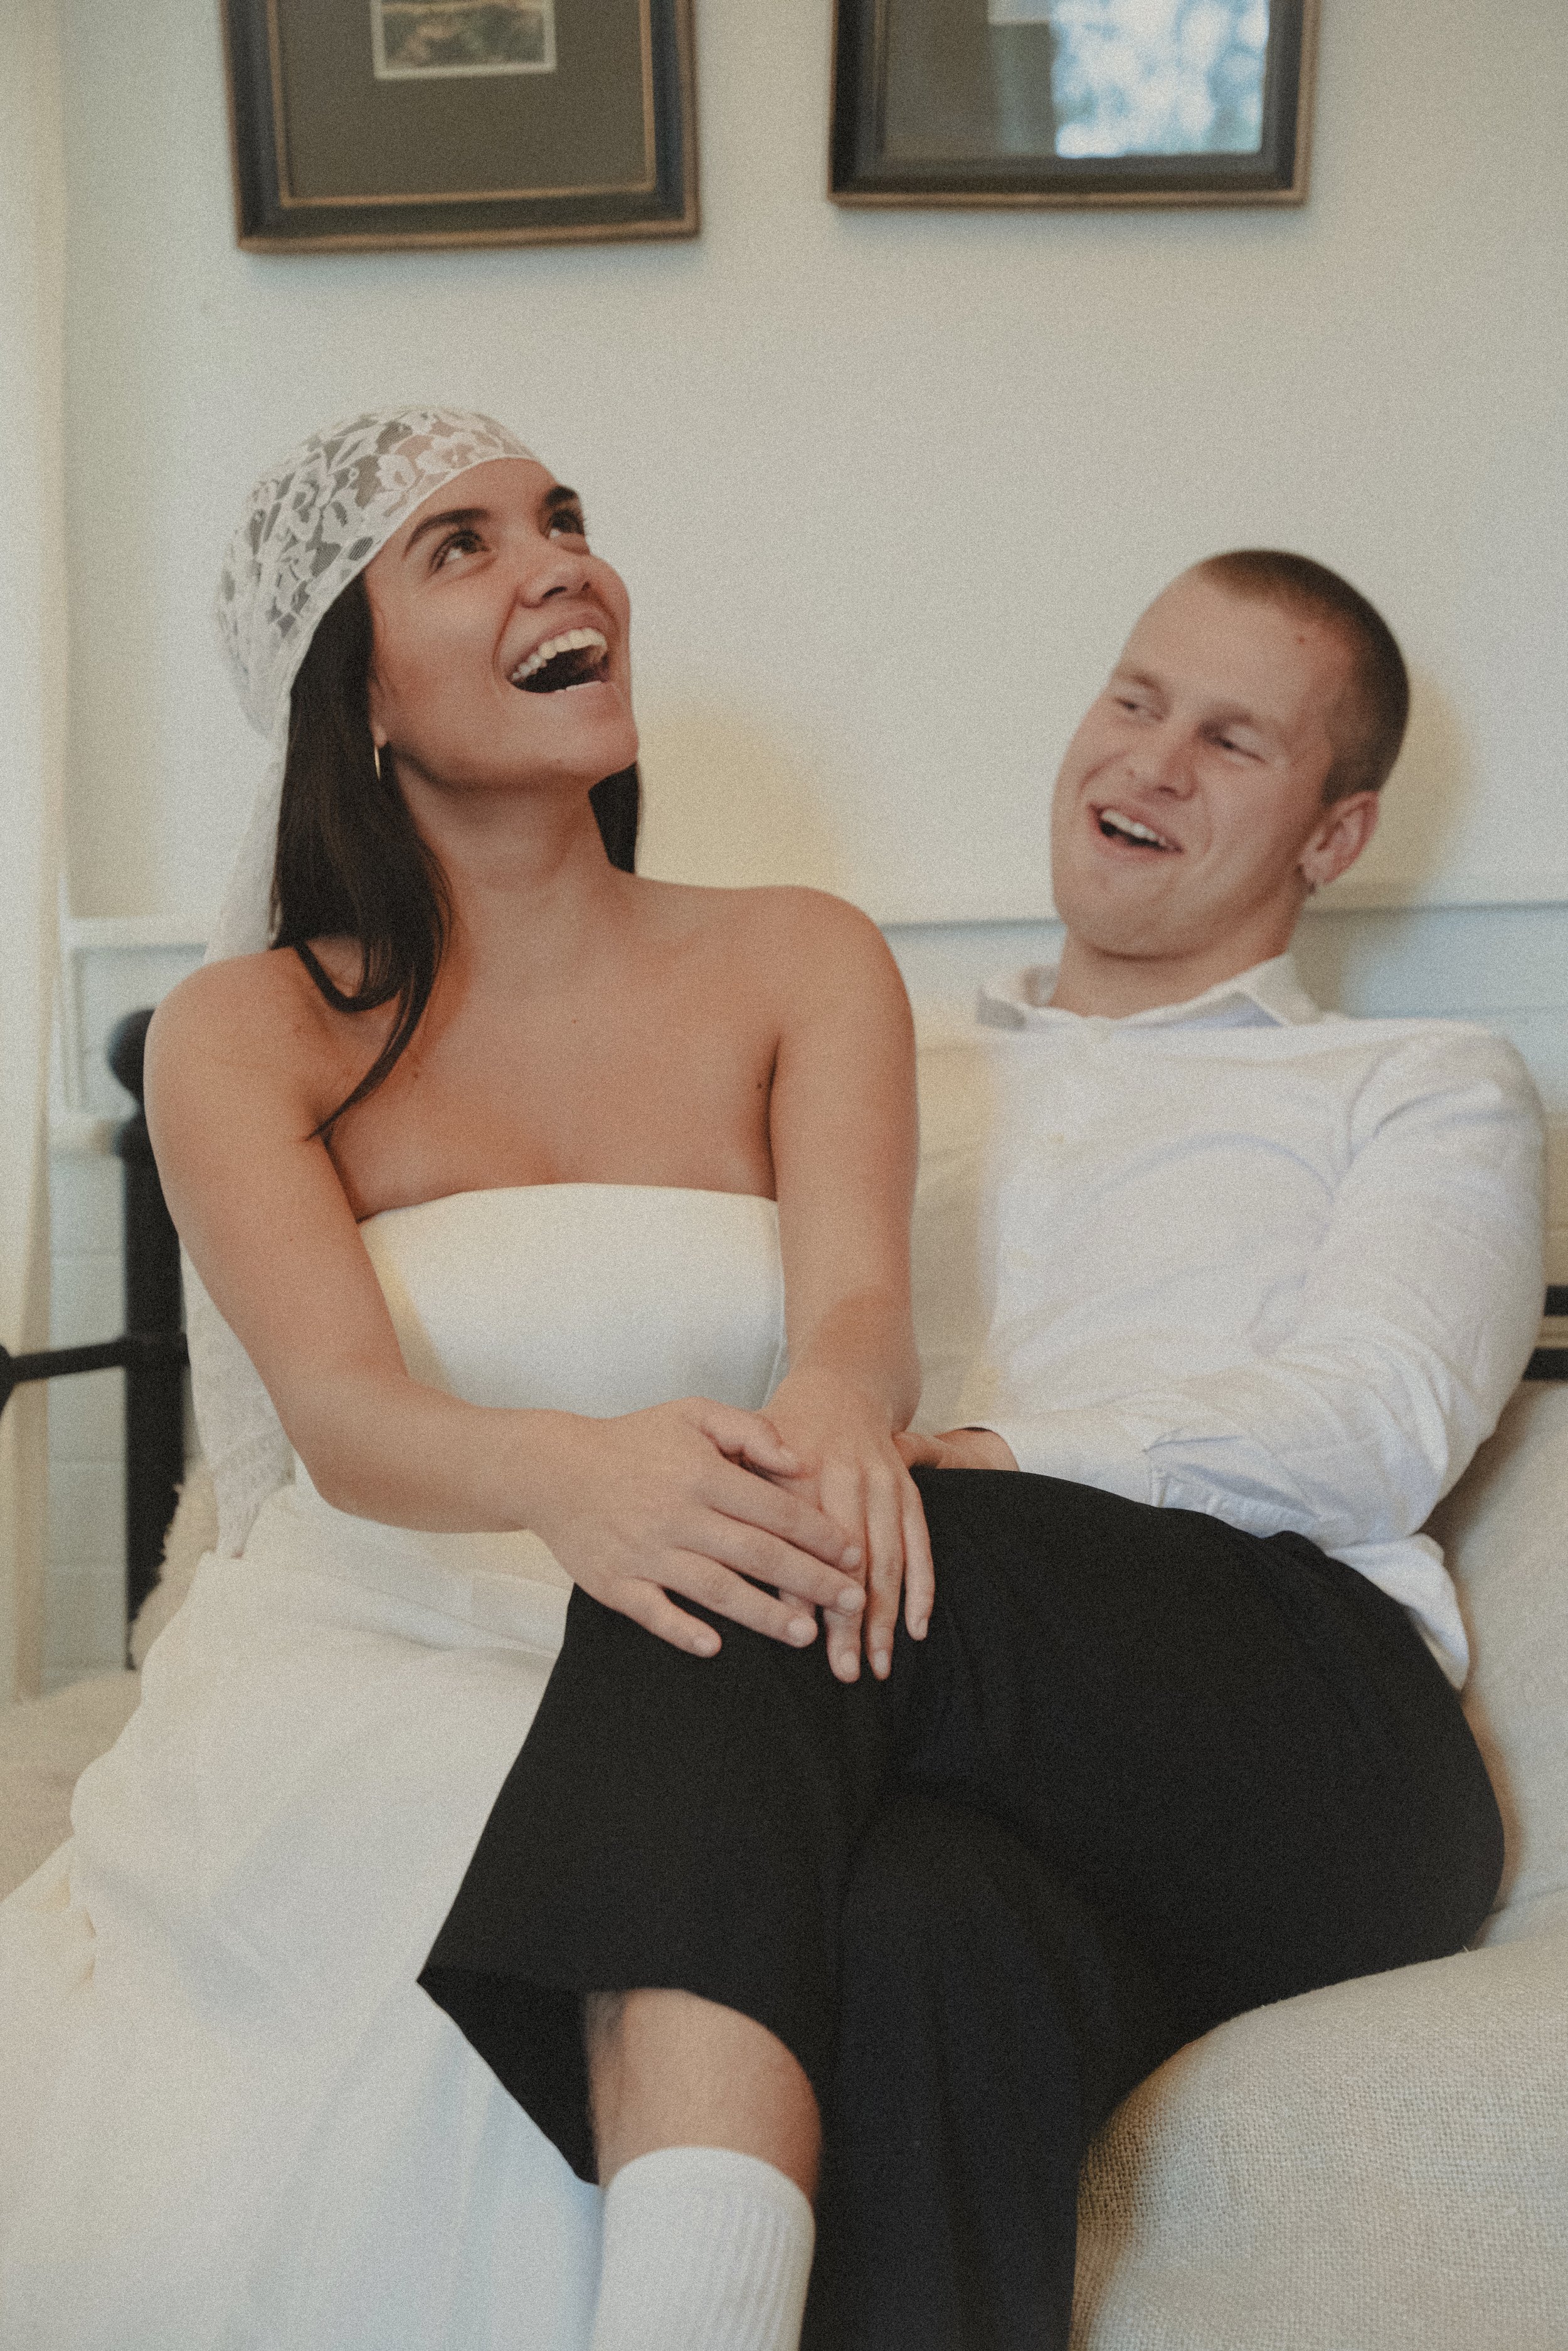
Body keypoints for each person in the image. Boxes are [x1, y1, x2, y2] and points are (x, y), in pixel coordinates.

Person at [419, 551, 1546, 2350]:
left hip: (1304, 1734)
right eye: (1131, 697)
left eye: (1232, 738)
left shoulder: (1421, 1079)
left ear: (1333, 839)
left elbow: (1379, 1418)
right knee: (920, 1936)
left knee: (763, 1534)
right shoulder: (882, 1075)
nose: (1152, 759)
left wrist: (989, 1460)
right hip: (945, 1743)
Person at [0, 406, 935, 2350]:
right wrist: (565, 1476)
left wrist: (846, 1406)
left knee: (719, 1828)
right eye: (462, 544)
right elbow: (341, 1415)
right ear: (359, 700)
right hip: (381, 1639)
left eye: (565, 519)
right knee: (515, 1878)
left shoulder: (802, 959)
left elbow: (855, 1310)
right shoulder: (248, 1030)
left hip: (710, 1640)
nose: (558, 563)